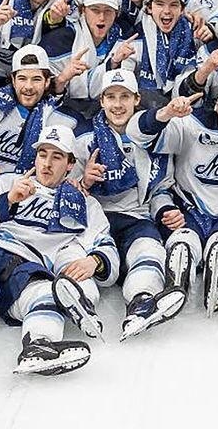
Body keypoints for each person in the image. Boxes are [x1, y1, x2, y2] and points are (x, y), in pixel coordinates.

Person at [0, 124, 116, 384]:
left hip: (27, 267)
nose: (47, 164)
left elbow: (105, 243)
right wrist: (8, 200)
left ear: (70, 164)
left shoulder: (83, 203)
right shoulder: (8, 182)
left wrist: (95, 261)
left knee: (48, 293)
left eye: (57, 157)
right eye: (42, 154)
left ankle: (39, 346)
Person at [129, 77, 218, 319]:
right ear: (217, 106)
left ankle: (217, 283)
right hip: (190, 212)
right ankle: (177, 288)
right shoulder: (190, 126)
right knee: (183, 243)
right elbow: (136, 134)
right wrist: (166, 113)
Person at [72, 69, 190, 340]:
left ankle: (141, 303)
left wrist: (166, 210)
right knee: (79, 259)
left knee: (149, 248)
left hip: (136, 217)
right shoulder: (83, 139)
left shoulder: (158, 137)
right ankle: (78, 303)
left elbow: (160, 189)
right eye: (111, 97)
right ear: (101, 101)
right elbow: (62, 191)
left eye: (124, 96)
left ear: (137, 99)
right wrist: (84, 182)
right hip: (94, 219)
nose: (117, 104)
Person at [0, 44, 78, 173]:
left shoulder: (58, 119)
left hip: (23, 184)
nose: (28, 86)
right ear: (13, 80)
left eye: (36, 79)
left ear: (46, 82)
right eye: (22, 79)